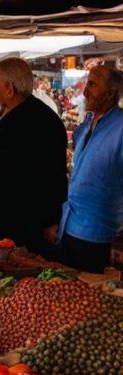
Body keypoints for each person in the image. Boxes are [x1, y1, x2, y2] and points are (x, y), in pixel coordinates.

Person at [0, 59, 67, 254]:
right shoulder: (48, 118)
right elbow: (57, 176)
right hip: (32, 223)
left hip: (10, 227)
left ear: (9, 88)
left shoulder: (13, 126)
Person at [55, 66, 123, 272]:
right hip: (69, 226)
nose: (85, 91)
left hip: (99, 235)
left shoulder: (120, 127)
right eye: (87, 84)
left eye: (92, 85)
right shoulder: (86, 126)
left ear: (110, 93)